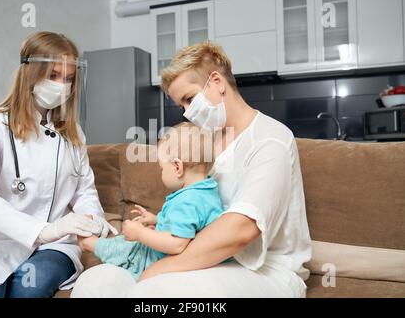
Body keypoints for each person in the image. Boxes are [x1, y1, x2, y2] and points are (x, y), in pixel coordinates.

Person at [71, 41, 312, 298]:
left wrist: (160, 269)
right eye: (182, 106)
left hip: (265, 271)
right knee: (95, 284)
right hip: (208, 260)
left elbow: (240, 230)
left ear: (217, 82)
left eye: (189, 99)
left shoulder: (270, 139)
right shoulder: (204, 144)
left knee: (154, 292)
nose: (187, 113)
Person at [0, 32, 116, 298]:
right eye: (53, 75)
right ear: (30, 73)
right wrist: (42, 230)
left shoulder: (72, 133)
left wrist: (93, 221)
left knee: (27, 288)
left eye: (68, 78)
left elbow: (84, 192)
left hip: (56, 246)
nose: (62, 86)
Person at [76, 122, 224, 281]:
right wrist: (157, 219)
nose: (161, 174)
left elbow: (177, 243)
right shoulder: (206, 191)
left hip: (156, 261)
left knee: (124, 248)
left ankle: (90, 244)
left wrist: (141, 234)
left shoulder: (187, 201)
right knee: (124, 242)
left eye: (162, 168)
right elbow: (191, 225)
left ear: (177, 167)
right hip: (169, 254)